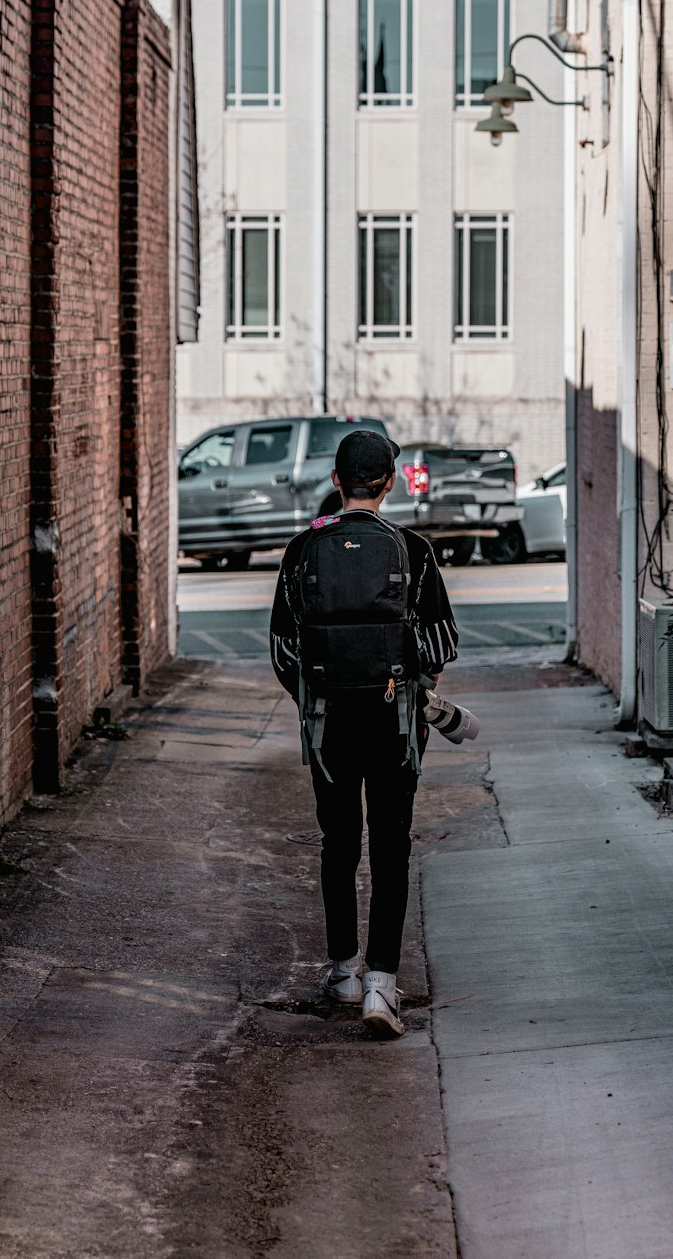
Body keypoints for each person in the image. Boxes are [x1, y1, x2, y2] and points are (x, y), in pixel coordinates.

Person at [270, 429, 459, 1037]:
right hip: (395, 722)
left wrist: (319, 693)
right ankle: (382, 985)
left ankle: (343, 971)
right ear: (391, 483)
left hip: (328, 725)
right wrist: (412, 677)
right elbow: (442, 641)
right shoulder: (414, 550)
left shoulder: (303, 549)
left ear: (335, 481)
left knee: (338, 844)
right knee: (391, 846)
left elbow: (282, 649)